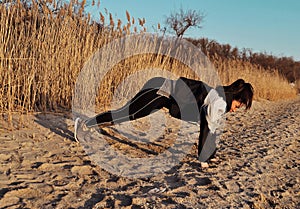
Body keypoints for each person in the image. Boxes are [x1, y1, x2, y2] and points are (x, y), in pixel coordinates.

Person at [75, 76, 254, 162]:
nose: (235, 110)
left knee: (126, 114)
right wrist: (203, 159)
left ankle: (91, 124)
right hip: (159, 91)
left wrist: (211, 155)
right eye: (238, 106)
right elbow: (206, 129)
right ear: (235, 97)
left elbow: (212, 129)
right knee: (126, 114)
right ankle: (85, 124)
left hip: (162, 97)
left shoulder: (220, 101)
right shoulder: (219, 102)